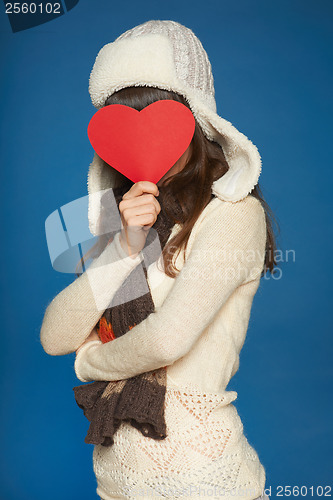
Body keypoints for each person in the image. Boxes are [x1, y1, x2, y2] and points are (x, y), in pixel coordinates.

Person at [40, 20, 278, 500]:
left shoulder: (232, 215)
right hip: (116, 478)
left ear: (195, 119)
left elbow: (168, 338)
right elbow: (55, 335)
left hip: (199, 479)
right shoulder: (124, 217)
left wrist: (90, 363)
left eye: (155, 115)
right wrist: (125, 244)